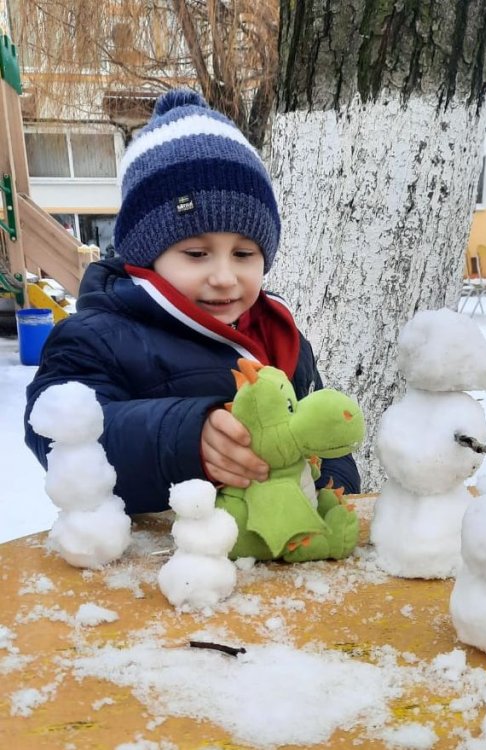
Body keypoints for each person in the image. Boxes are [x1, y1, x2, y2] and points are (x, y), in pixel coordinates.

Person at [24, 89, 360, 515]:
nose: (224, 277)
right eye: (197, 254)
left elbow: (322, 432)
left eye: (244, 254)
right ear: (147, 253)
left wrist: (332, 492)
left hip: (284, 545)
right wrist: (184, 439)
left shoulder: (281, 333)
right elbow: (55, 436)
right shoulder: (98, 336)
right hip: (169, 549)